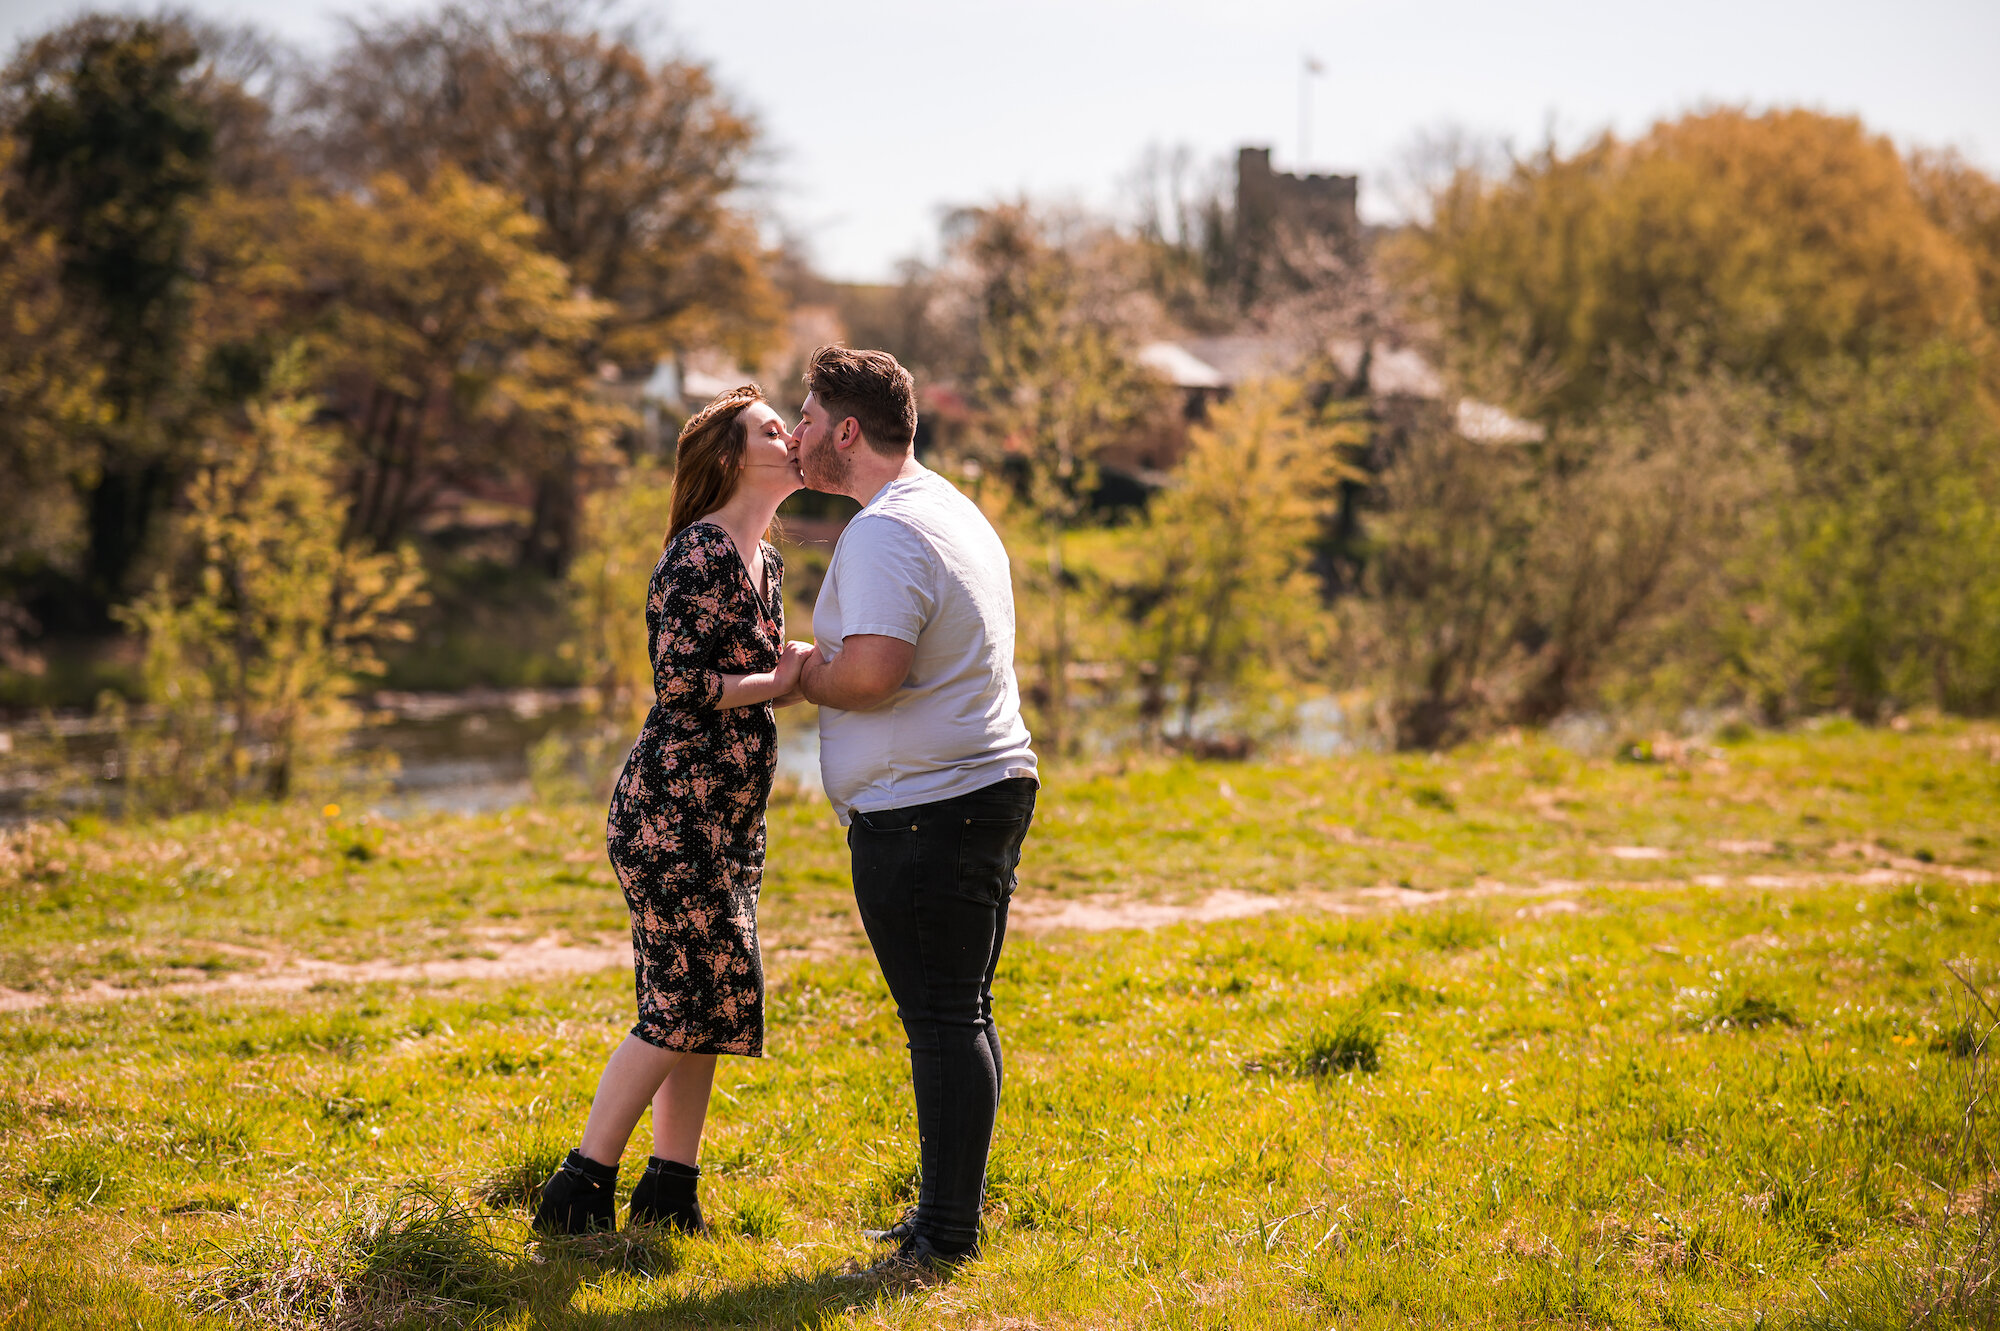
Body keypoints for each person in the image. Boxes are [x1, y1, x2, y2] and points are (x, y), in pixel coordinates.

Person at [535, 385, 813, 1235]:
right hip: (671, 814)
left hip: (726, 822)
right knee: (681, 1002)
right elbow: (682, 687)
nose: (793, 434)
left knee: (711, 1003)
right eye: (774, 428)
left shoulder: (763, 560)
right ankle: (578, 1188)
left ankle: (671, 1189)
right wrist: (784, 678)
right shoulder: (697, 553)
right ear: (733, 458)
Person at [791, 345, 1039, 1278]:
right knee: (958, 1009)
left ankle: (941, 1238)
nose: (800, 432)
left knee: (940, 1015)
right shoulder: (946, 506)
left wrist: (797, 672)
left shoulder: (888, 530)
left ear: (847, 430)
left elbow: (873, 670)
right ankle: (950, 1214)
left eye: (809, 417)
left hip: (931, 810)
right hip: (971, 792)